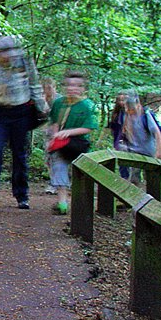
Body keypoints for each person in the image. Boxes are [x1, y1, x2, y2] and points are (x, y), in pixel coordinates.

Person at [0, 36, 48, 211]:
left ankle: (22, 195)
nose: (9, 55)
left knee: (19, 155)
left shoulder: (25, 65)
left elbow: (35, 86)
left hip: (21, 113)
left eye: (11, 51)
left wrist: (42, 106)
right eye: (4, 51)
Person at [47, 71, 97, 214]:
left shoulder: (88, 106)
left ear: (82, 88)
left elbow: (89, 127)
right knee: (58, 167)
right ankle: (62, 203)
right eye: (69, 85)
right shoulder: (59, 103)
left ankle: (81, 204)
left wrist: (69, 132)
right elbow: (55, 121)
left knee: (80, 172)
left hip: (79, 143)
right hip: (61, 142)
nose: (72, 88)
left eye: (76, 86)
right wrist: (54, 136)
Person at [116, 91, 161, 186]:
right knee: (134, 175)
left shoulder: (145, 115)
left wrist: (159, 150)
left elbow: (156, 132)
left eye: (131, 110)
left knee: (151, 176)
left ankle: (152, 195)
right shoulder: (125, 115)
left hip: (148, 151)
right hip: (135, 150)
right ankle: (134, 196)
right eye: (127, 109)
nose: (129, 112)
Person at [106, 92, 131, 179]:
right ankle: (124, 178)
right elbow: (111, 128)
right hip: (119, 141)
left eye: (123, 100)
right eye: (119, 100)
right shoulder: (116, 114)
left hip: (131, 141)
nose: (122, 102)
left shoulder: (132, 113)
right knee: (122, 162)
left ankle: (133, 181)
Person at [41, 77, 58, 194]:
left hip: (60, 133)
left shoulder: (60, 100)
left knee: (57, 158)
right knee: (48, 159)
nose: (47, 90)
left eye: (49, 88)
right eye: (45, 88)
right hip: (48, 133)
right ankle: (54, 182)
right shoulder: (42, 100)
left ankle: (56, 184)